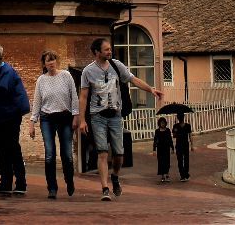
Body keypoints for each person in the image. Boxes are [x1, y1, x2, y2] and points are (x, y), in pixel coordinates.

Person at [76, 36, 163, 201]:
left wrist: (150, 90)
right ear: (97, 52)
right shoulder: (88, 71)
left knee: (119, 154)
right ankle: (104, 188)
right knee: (101, 152)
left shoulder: (117, 66)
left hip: (115, 115)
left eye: (110, 49)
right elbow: (83, 96)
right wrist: (82, 120)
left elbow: (133, 79)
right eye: (106, 49)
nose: (110, 51)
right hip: (97, 116)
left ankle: (115, 176)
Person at [28, 49, 78, 199]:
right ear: (44, 64)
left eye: (53, 59)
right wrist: (32, 122)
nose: (51, 63)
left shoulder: (66, 76)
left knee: (67, 155)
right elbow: (37, 103)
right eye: (48, 60)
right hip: (47, 119)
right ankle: (52, 188)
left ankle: (69, 181)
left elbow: (74, 97)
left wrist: (76, 116)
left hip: (65, 117)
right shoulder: (41, 80)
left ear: (57, 61)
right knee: (50, 154)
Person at [0, 44, 29, 195]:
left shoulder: (7, 71)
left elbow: (2, 90)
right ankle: (5, 182)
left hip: (10, 115)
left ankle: (21, 183)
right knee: (3, 148)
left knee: (12, 148)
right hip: (2, 115)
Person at [172, 113, 193, 181]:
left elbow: (190, 135)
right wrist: (175, 131)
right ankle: (183, 175)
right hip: (179, 145)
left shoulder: (187, 126)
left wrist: (192, 145)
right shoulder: (176, 126)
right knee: (181, 160)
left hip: (184, 145)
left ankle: (185, 174)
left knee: (185, 160)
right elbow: (174, 136)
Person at [153, 116, 173, 182]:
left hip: (166, 148)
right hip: (160, 148)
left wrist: (172, 147)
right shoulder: (157, 131)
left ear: (165, 123)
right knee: (161, 162)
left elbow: (170, 139)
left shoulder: (168, 130)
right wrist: (154, 149)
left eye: (163, 123)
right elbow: (155, 140)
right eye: (161, 123)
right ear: (159, 124)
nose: (162, 124)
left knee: (167, 162)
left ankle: (167, 174)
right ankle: (162, 175)